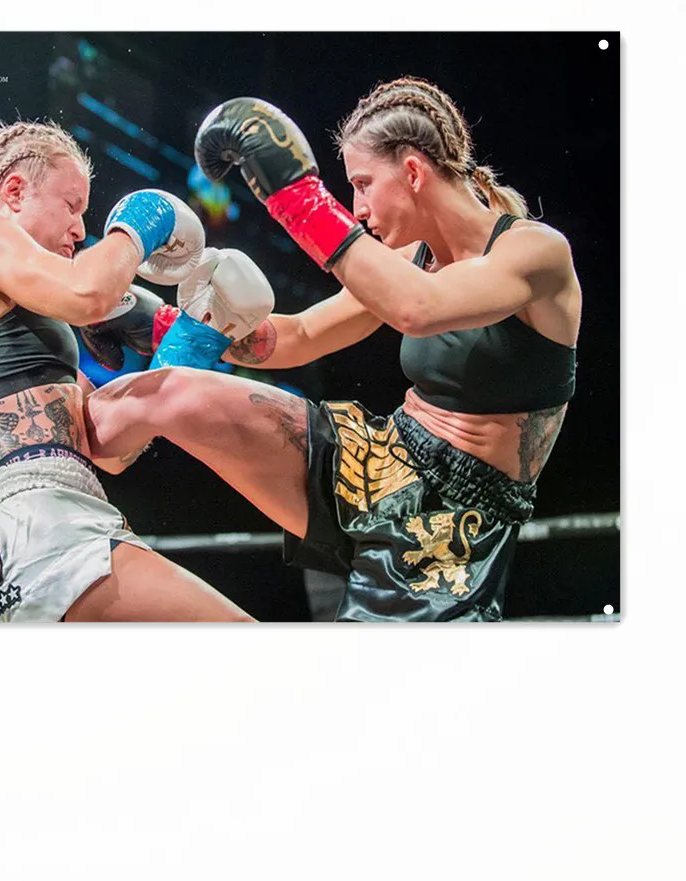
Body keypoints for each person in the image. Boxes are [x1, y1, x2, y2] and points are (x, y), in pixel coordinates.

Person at [83, 78, 580, 622]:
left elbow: (420, 306)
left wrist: (297, 198)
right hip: (377, 458)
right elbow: (300, 335)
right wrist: (160, 326)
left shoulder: (535, 253)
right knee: (172, 392)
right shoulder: (411, 259)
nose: (357, 207)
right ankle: (50, 486)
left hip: (453, 529)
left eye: (363, 184)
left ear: (413, 173)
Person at [0, 118, 256, 622]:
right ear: (14, 192)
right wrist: (140, 223)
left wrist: (189, 345)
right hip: (42, 524)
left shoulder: (25, 335)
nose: (81, 229)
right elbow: (88, 292)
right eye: (71, 205)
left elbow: (110, 450)